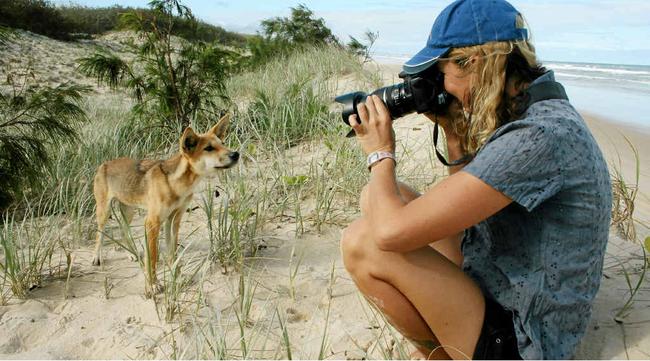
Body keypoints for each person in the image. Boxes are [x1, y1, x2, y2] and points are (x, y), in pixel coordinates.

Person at [339, 0, 612, 359]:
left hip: (525, 339)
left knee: (364, 241)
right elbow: (472, 212)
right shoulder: (536, 110)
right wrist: (453, 133)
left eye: (443, 72)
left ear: (476, 64)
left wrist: (380, 152)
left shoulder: (537, 137)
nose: (443, 86)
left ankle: (439, 355)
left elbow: (389, 233)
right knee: (389, 198)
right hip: (503, 281)